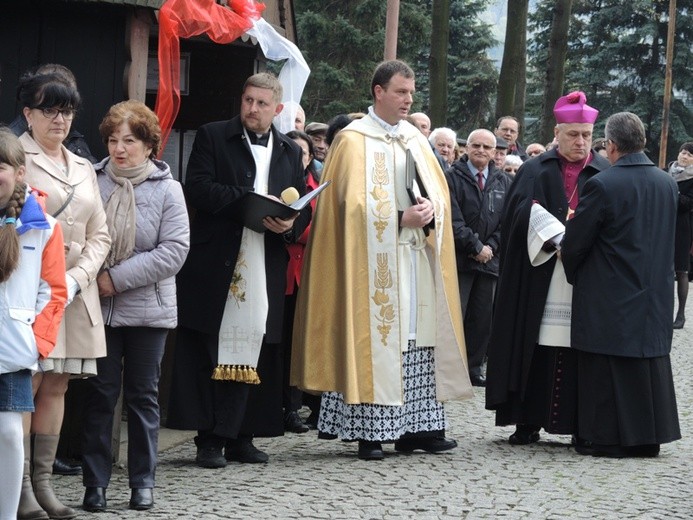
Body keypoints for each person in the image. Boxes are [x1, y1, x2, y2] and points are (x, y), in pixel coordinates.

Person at [291, 60, 472, 461]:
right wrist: (395, 218)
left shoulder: (413, 138)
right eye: (400, 92)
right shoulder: (353, 140)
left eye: (411, 93)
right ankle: (370, 432)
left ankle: (419, 428)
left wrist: (430, 211)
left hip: (413, 258)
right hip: (369, 265)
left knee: (418, 339)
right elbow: (344, 209)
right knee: (376, 338)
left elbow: (439, 193)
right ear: (378, 92)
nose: (408, 100)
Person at [167, 72, 310, 469]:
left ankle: (242, 435)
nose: (252, 108)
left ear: (277, 109)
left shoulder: (285, 149)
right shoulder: (214, 135)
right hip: (218, 261)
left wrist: (289, 224)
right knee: (209, 348)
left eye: (262, 103)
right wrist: (248, 203)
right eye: (248, 100)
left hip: (265, 262)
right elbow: (196, 187)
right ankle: (208, 439)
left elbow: (302, 204)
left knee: (258, 346)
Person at [79, 101, 190, 512]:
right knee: (99, 395)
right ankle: (96, 483)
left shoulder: (168, 188)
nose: (119, 148)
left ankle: (143, 481)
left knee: (143, 397)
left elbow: (174, 252)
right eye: (112, 139)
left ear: (148, 145)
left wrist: (115, 279)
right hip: (100, 310)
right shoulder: (91, 180)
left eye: (129, 140)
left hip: (149, 310)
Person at [485, 91, 610, 446]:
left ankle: (578, 423)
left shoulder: (604, 173)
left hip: (583, 278)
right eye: (573, 135)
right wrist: (545, 228)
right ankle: (527, 420)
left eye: (586, 135)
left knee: (578, 350)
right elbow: (514, 217)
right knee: (536, 347)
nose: (581, 142)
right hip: (538, 273)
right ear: (558, 132)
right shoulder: (533, 170)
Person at [18, 70, 111, 520]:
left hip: (75, 292)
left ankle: (42, 484)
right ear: (28, 114)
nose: (59, 119)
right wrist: (57, 266)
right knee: (25, 386)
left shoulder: (81, 165)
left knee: (56, 386)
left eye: (67, 110)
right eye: (49, 109)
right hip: (32, 289)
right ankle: (16, 487)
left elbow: (102, 234)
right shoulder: (17, 157)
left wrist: (78, 277)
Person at [562, 112, 681, 457]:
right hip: (655, 292)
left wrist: (575, 271)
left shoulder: (602, 184)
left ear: (611, 146)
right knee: (646, 367)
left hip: (609, 294)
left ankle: (605, 438)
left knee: (606, 369)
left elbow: (576, 242)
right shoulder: (666, 183)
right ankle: (647, 438)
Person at [0, 128, 67, 520]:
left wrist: (36, 343)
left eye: (2, 167)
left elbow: (53, 291)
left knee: (10, 436)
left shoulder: (45, 228)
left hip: (13, 352)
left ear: (20, 173)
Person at [446, 129, 511, 388]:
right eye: (476, 145)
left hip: (489, 262)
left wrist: (491, 247)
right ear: (465, 148)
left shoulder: (504, 181)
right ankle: (450, 370)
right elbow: (451, 217)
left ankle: (473, 369)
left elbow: (507, 220)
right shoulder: (451, 177)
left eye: (487, 147)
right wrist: (474, 246)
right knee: (456, 317)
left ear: (495, 152)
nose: (481, 150)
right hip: (460, 260)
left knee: (482, 319)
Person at [280, 129, 319, 434]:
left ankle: (293, 408)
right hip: (280, 273)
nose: (298, 156)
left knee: (297, 346)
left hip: (306, 275)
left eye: (303, 152)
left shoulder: (315, 187)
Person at [670, 142, 693, 329]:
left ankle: (681, 314)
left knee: (681, 269)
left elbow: (687, 203)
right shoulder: (666, 172)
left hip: (682, 227)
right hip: (663, 225)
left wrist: (670, 192)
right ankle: (662, 310)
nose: (684, 157)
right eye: (683, 152)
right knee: (662, 269)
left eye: (689, 155)